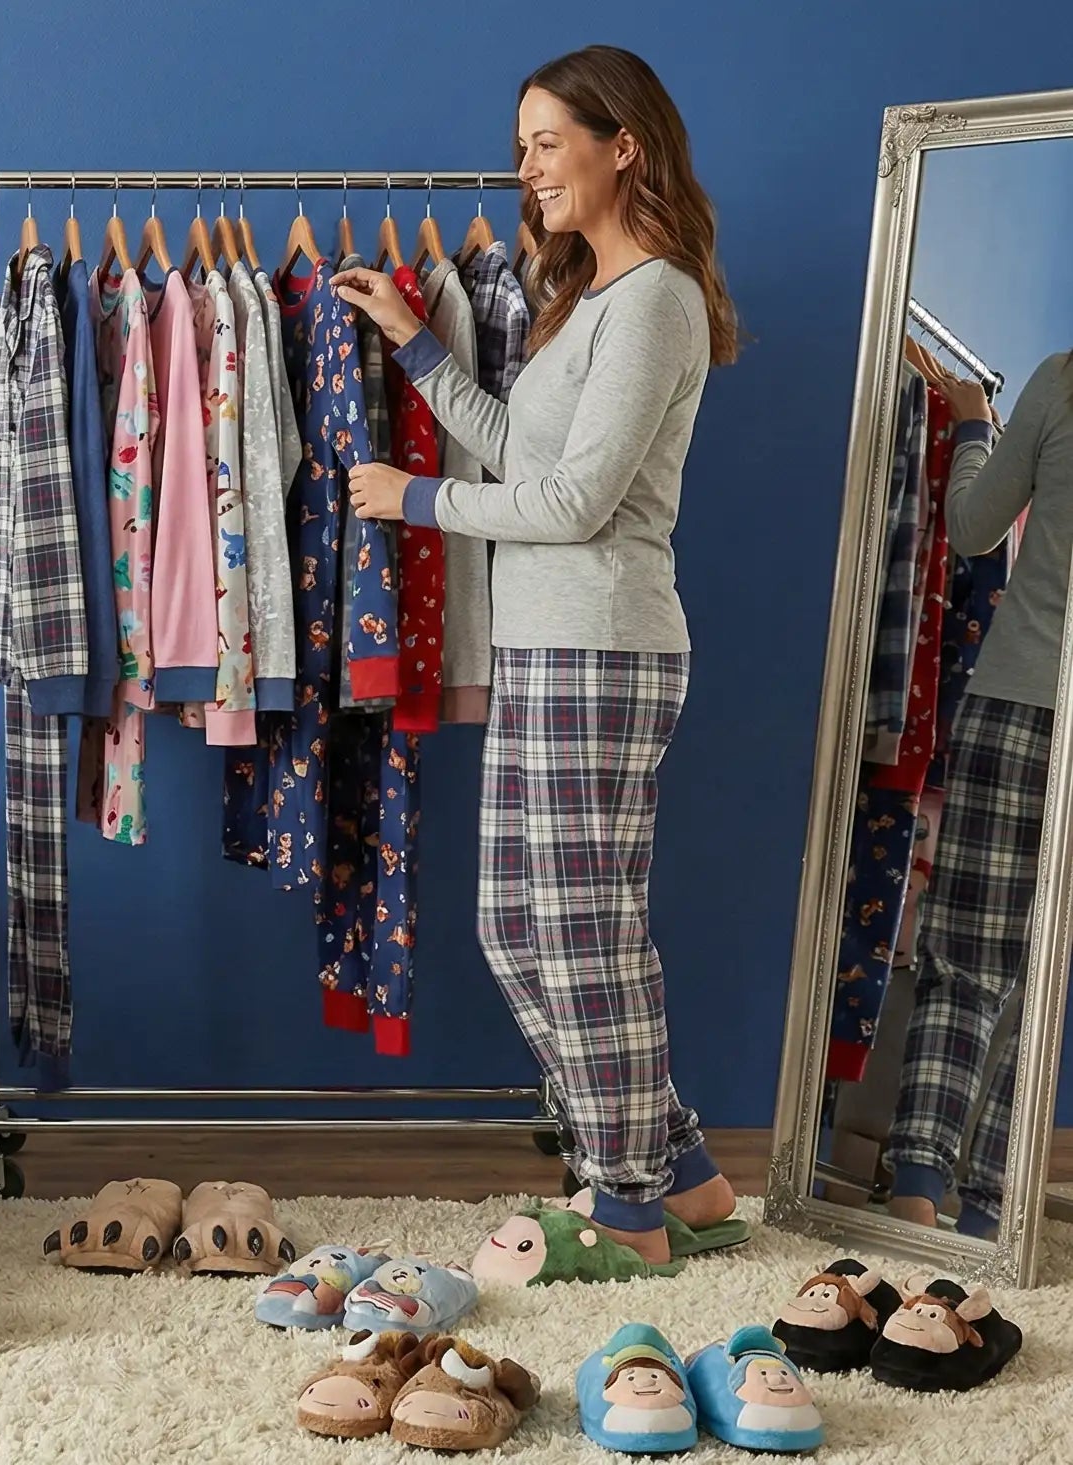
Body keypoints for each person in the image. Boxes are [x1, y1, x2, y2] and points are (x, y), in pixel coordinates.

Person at [335, 45, 741, 1265]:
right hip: (544, 645)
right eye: (521, 148)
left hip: (601, 643)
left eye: (546, 143)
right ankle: (682, 1170)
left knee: (580, 931)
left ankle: (625, 1206)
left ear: (624, 146)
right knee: (519, 925)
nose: (527, 168)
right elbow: (521, 451)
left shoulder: (656, 298)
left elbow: (573, 503)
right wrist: (416, 344)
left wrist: (416, 500)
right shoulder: (591, 300)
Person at [884, 352, 1073, 1239]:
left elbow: (971, 528)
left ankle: (917, 1188)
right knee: (1047, 981)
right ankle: (989, 1209)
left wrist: (971, 426)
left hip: (1017, 700)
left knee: (965, 962)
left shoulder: (1062, 380)